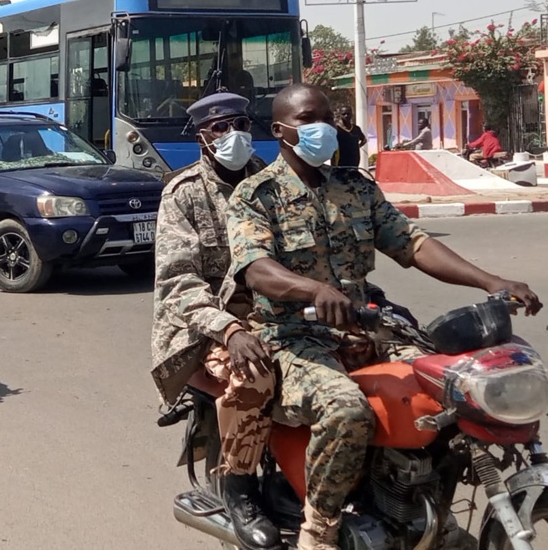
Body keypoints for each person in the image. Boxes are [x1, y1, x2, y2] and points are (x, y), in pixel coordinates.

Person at [225, 83, 541, 550]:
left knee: (453, 389)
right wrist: (313, 288)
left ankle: (424, 506)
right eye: (310, 119)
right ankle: (322, 527)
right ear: (279, 130)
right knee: (347, 410)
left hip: (367, 327)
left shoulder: (355, 187)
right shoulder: (257, 195)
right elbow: (256, 269)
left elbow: (414, 244)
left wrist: (490, 281)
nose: (324, 128)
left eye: (329, 117)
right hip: (293, 335)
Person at [151, 92, 280, 550]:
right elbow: (178, 283)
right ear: (202, 138)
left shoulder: (271, 183)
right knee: (251, 380)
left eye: (239, 124)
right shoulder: (184, 193)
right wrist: (228, 328)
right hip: (198, 329)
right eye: (219, 129)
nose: (231, 136)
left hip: (272, 317)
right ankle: (239, 491)